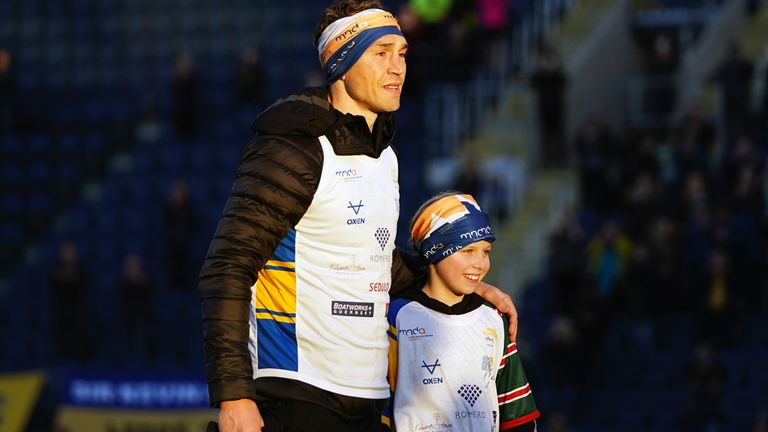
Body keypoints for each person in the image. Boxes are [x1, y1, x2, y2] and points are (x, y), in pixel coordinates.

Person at [198, 1, 518, 431]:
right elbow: (227, 267)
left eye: (402, 53)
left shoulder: (385, 156)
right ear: (342, 62)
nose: (398, 67)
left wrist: (461, 281)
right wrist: (233, 395)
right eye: (381, 53)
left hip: (367, 395)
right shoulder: (294, 148)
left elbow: (370, 259)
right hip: (296, 390)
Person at [383, 192, 539, 431]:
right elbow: (379, 410)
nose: (480, 263)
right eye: (468, 251)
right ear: (436, 250)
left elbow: (518, 416)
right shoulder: (397, 316)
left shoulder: (494, 318)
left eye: (486, 251)